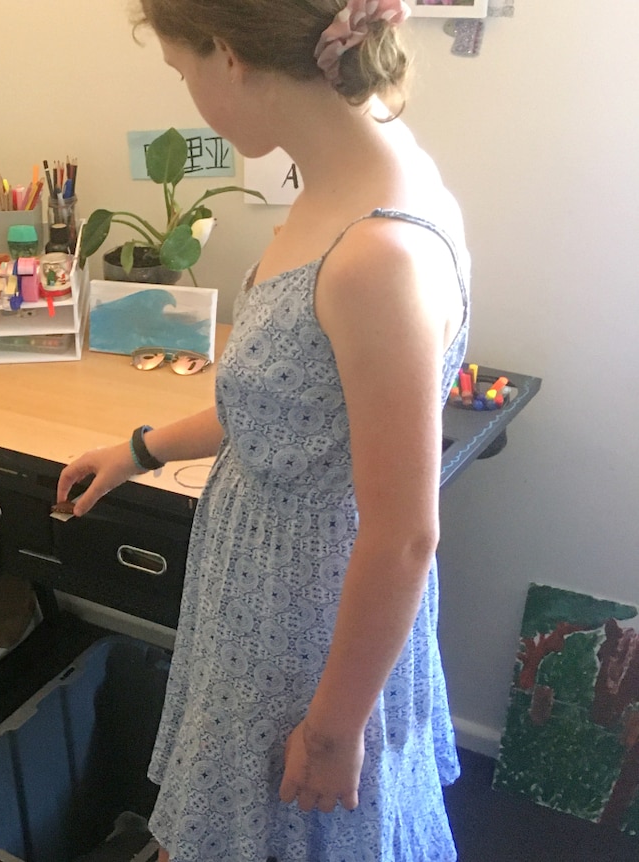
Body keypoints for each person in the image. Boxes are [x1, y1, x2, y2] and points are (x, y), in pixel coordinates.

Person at [57, 0, 470, 858]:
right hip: (258, 592)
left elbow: (402, 538)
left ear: (231, 58)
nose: (188, 97)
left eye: (183, 73)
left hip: (306, 623)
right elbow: (288, 405)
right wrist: (139, 450)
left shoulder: (375, 256)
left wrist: (331, 730)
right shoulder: (362, 171)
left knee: (296, 830)